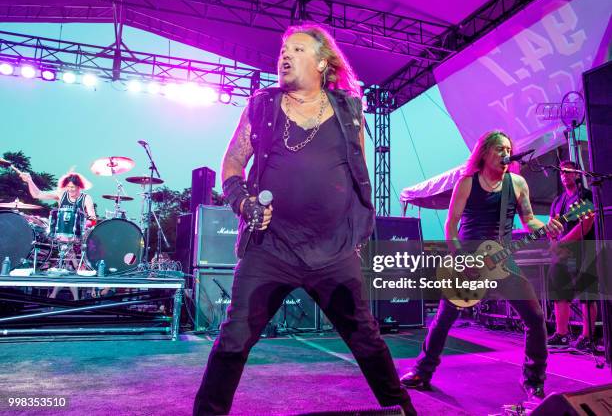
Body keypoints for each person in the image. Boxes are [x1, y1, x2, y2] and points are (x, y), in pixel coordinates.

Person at [193, 24, 416, 415]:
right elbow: (231, 162)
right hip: (271, 249)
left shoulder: (349, 110)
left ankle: (405, 413)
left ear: (321, 62)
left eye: (297, 49)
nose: (285, 55)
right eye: (283, 49)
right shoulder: (262, 105)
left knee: (367, 340)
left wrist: (357, 228)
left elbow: (357, 172)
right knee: (233, 340)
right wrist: (243, 203)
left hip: (333, 252)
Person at [400, 130, 563, 400]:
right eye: (499, 148)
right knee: (444, 318)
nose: (505, 153)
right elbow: (451, 226)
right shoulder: (467, 183)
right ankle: (422, 371)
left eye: (507, 148)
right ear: (484, 152)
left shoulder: (518, 183)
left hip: (503, 259)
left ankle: (534, 380)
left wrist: (545, 227)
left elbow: (529, 220)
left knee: (535, 318)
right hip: (467, 260)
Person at [20, 170, 96, 300]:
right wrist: (29, 181)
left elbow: (93, 217)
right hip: (61, 237)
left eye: (73, 187)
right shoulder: (61, 194)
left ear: (79, 187)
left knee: (68, 265)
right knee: (66, 266)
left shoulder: (86, 198)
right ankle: (69, 297)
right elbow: (37, 194)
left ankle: (58, 295)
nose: (70, 189)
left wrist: (84, 224)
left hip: (77, 238)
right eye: (68, 187)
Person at [546, 160, 597, 351]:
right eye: (561, 172)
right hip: (562, 253)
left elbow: (587, 224)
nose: (564, 175)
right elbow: (552, 227)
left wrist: (563, 241)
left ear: (577, 174)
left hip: (584, 250)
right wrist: (553, 244)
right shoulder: (558, 201)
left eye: (568, 172)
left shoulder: (585, 195)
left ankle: (587, 337)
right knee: (558, 291)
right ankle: (561, 334)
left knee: (587, 294)